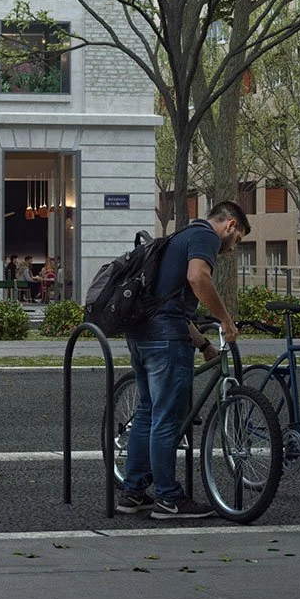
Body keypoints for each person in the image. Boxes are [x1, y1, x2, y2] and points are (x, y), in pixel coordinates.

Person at [116, 200, 249, 521]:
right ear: (229, 225)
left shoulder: (180, 237)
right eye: (238, 239)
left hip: (142, 332)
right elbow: (197, 278)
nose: (232, 249)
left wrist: (203, 344)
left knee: (147, 412)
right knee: (166, 416)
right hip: (165, 340)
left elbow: (168, 303)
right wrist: (226, 320)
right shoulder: (206, 237)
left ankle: (133, 492)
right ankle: (168, 499)